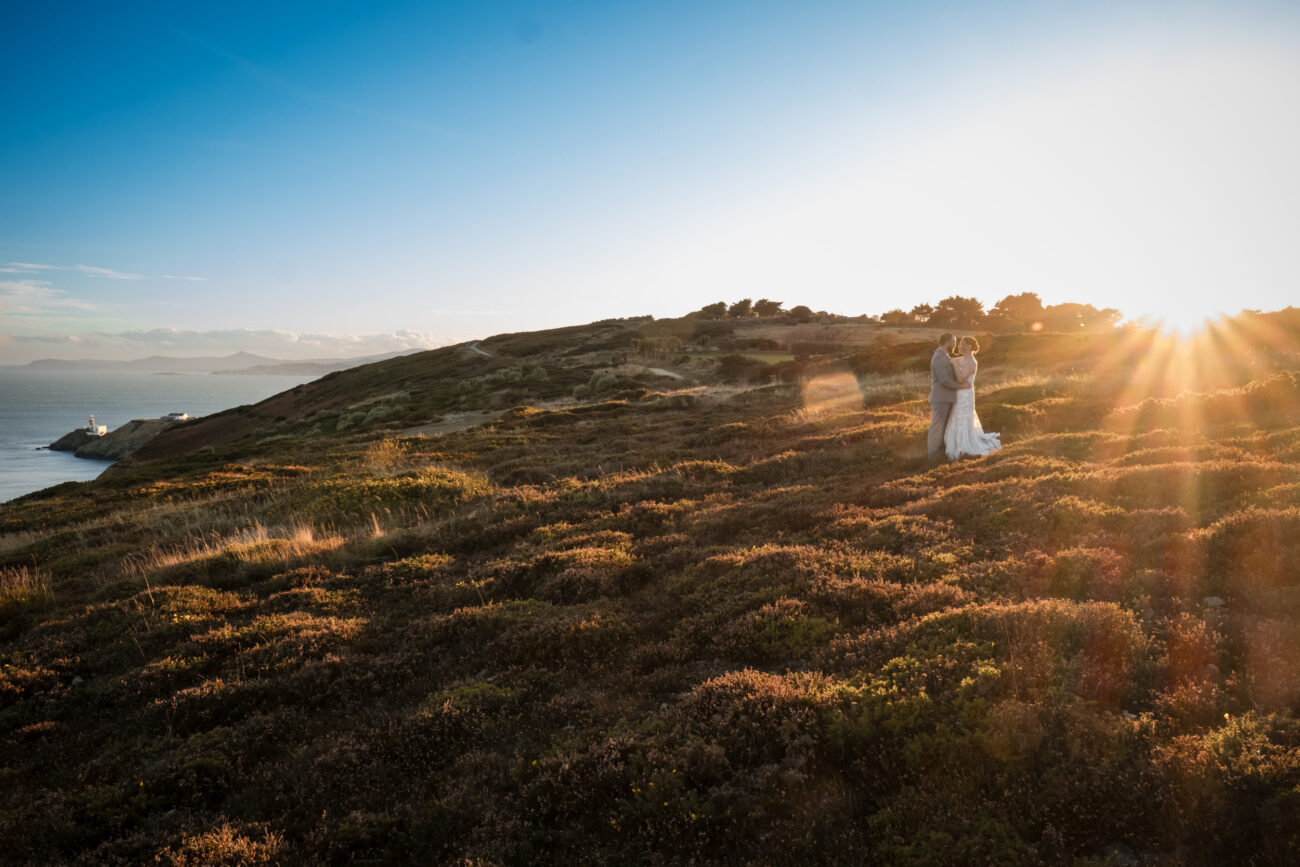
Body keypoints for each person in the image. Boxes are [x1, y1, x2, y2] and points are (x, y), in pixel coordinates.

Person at [944, 336, 1001, 460]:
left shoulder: (972, 362)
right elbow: (950, 360)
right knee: (956, 416)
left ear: (969, 346)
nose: (959, 346)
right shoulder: (963, 358)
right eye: (959, 344)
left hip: (965, 395)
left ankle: (964, 446)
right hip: (960, 392)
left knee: (963, 417)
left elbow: (961, 379)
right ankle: (956, 445)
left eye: (962, 344)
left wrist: (954, 366)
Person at [928, 333, 970, 462]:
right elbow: (943, 379)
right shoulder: (939, 356)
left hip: (946, 398)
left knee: (944, 427)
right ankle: (932, 457)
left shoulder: (944, 355)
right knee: (936, 427)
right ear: (947, 342)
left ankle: (940, 452)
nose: (955, 345)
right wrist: (959, 386)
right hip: (941, 398)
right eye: (954, 342)